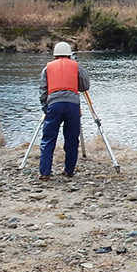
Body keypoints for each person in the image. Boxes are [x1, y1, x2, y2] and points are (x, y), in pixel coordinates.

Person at [38, 41, 90, 181]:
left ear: (55, 55)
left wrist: (46, 108)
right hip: (73, 106)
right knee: (72, 140)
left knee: (48, 139)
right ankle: (69, 171)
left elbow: (43, 91)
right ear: (69, 54)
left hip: (54, 105)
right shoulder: (76, 66)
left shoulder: (47, 68)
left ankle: (45, 173)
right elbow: (85, 86)